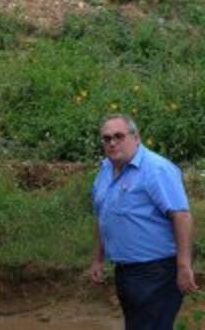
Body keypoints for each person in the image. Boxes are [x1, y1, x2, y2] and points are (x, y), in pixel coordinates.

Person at [90, 113, 197, 329]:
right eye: (106, 138)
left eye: (119, 136)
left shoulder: (156, 169)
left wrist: (184, 266)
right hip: (125, 272)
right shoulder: (105, 170)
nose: (112, 143)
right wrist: (98, 259)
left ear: (136, 137)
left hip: (157, 272)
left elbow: (182, 216)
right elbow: (104, 217)